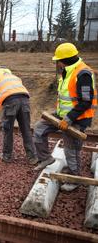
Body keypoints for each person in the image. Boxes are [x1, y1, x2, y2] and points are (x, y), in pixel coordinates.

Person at [33, 43, 97, 191]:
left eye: (58, 60)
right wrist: (60, 115)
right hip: (62, 116)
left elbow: (86, 101)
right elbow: (66, 98)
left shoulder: (83, 74)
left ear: (65, 60)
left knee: (71, 149)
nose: (57, 63)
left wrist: (68, 119)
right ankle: (46, 158)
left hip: (77, 118)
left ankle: (74, 179)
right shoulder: (67, 71)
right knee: (39, 128)